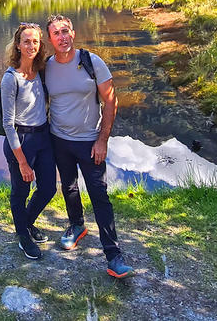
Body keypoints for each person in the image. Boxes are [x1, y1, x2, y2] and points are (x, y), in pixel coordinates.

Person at [44, 14, 132, 278]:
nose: (62, 37)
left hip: (89, 142)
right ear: (50, 39)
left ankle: (113, 255)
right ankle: (76, 226)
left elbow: (111, 101)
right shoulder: (47, 66)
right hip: (59, 139)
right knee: (69, 187)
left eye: (65, 31)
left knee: (99, 195)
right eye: (56, 33)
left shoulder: (92, 62)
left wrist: (102, 140)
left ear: (73, 33)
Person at [0, 22, 56, 260]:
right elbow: (7, 124)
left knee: (48, 188)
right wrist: (22, 161)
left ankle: (27, 222)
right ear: (18, 45)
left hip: (43, 137)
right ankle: (23, 236)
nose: (31, 45)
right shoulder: (10, 79)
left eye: (35, 41)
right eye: (26, 41)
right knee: (20, 191)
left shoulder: (42, 70)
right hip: (20, 140)